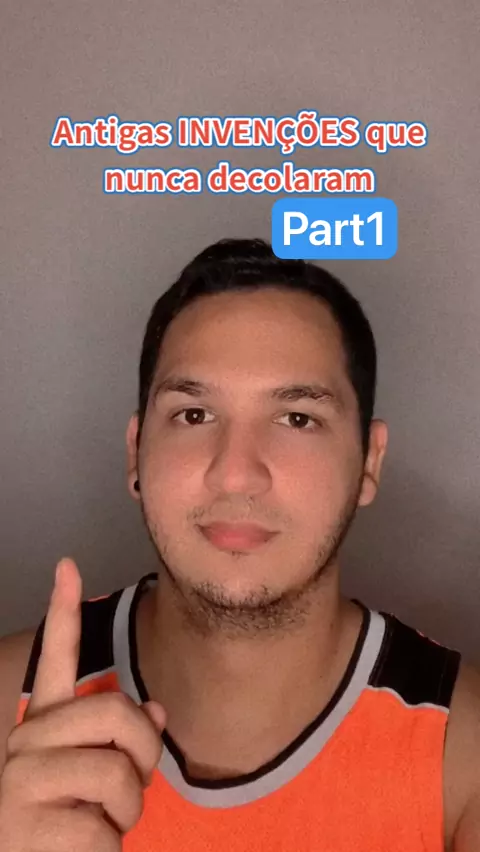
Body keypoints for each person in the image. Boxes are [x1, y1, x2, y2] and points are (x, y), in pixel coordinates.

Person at [0, 238, 478, 851]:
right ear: (136, 452)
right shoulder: (10, 703)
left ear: (369, 462)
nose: (235, 474)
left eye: (297, 419)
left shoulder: (463, 755)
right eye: (194, 414)